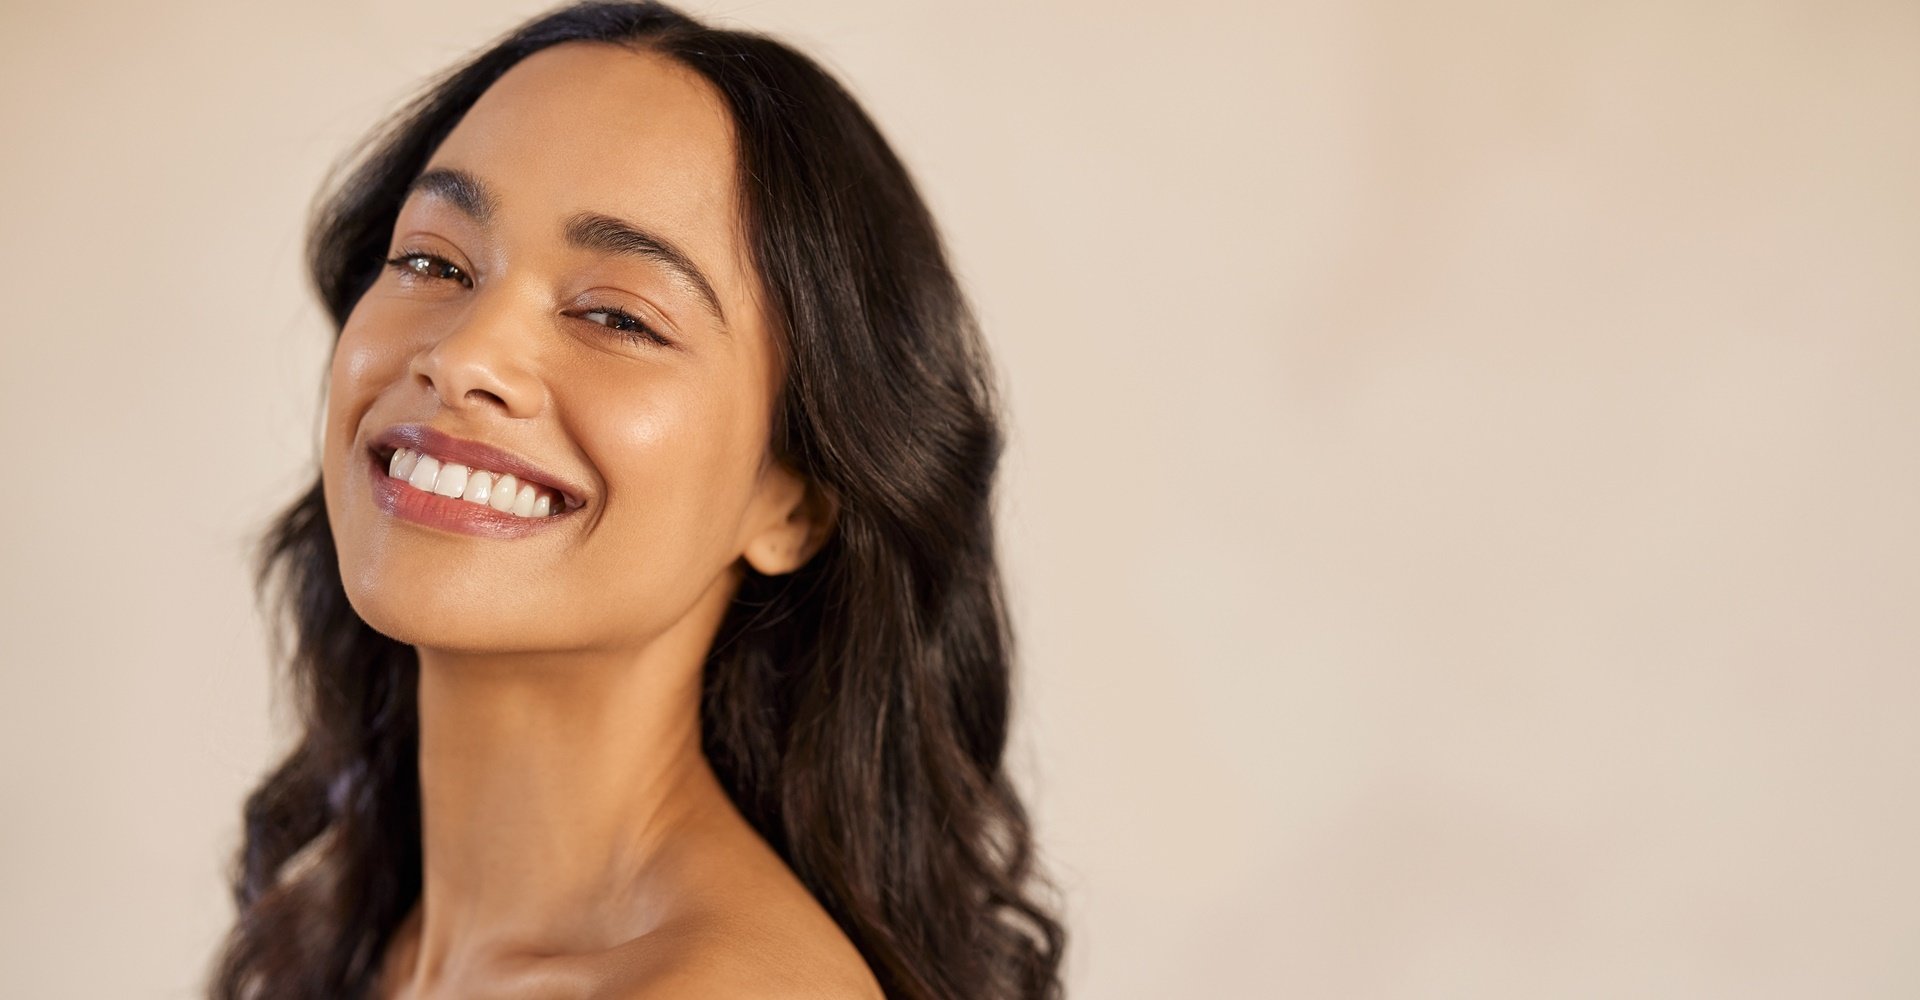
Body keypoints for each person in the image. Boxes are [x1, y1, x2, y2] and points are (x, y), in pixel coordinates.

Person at [205, 2, 1065, 998]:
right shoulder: (336, 933)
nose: (464, 355)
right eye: (434, 262)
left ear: (796, 506)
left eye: (616, 315)